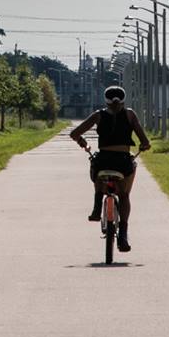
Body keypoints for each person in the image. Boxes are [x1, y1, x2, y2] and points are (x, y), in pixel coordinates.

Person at [69, 85, 150, 252]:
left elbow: (75, 133)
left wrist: (82, 142)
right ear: (123, 100)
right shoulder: (130, 114)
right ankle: (123, 234)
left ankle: (97, 205)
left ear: (105, 100)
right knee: (125, 195)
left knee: (96, 166)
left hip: (104, 160)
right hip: (123, 161)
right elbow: (144, 140)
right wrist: (144, 145)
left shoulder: (98, 115)